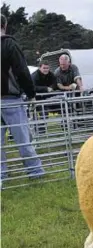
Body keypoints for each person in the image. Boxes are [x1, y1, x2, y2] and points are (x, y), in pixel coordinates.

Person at [1, 14, 45, 180]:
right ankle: (35, 171)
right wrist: (31, 94)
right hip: (10, 99)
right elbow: (22, 71)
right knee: (23, 138)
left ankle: (1, 175)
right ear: (5, 25)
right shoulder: (10, 44)